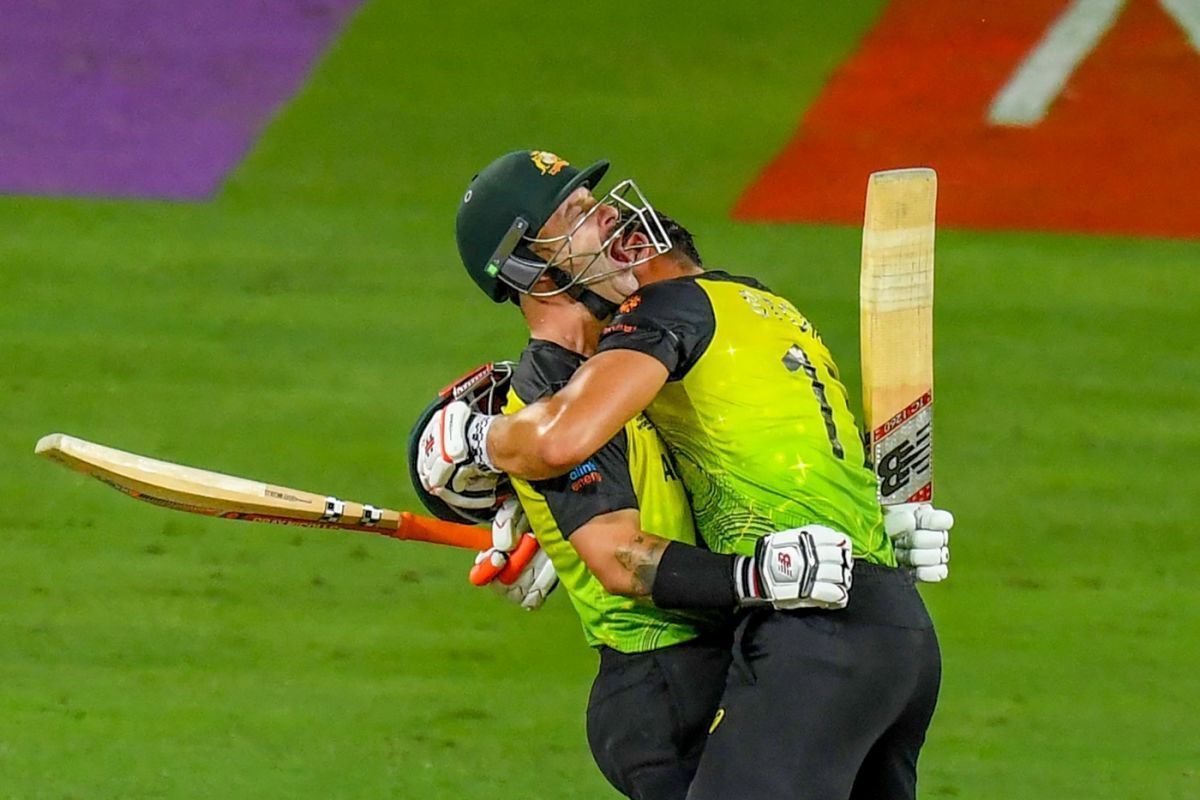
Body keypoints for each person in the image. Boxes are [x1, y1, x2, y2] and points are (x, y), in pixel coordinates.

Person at [419, 150, 955, 799]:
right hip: (664, 688)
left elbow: (748, 459)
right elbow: (614, 547)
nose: (610, 217)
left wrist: (868, 528)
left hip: (749, 646)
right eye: (577, 214)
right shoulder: (550, 392)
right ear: (528, 263)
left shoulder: (645, 353)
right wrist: (483, 444)